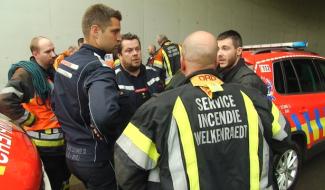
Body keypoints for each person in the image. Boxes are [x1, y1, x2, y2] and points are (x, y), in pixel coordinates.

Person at [114, 31, 291, 190]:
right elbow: (283, 136)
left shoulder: (159, 107)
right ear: (216, 62)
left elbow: (126, 170)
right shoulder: (252, 98)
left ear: (182, 64)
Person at [52, 4, 128, 189]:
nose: (119, 38)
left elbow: (55, 103)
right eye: (114, 31)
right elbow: (104, 116)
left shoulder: (65, 63)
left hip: (72, 155)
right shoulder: (98, 68)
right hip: (96, 159)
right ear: (95, 31)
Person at [0, 36, 70, 190]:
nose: (53, 54)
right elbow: (5, 100)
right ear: (35, 53)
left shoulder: (50, 72)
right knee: (53, 183)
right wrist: (28, 119)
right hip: (44, 146)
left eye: (53, 50)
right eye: (48, 51)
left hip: (60, 143)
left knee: (63, 180)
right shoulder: (26, 74)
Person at [115, 33, 164, 116]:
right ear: (120, 56)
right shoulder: (114, 79)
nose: (135, 53)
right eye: (129, 50)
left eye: (137, 49)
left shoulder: (153, 74)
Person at [216, 30, 268, 95]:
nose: (219, 54)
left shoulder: (249, 82)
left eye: (225, 48)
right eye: (217, 49)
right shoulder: (218, 74)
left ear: (239, 51)